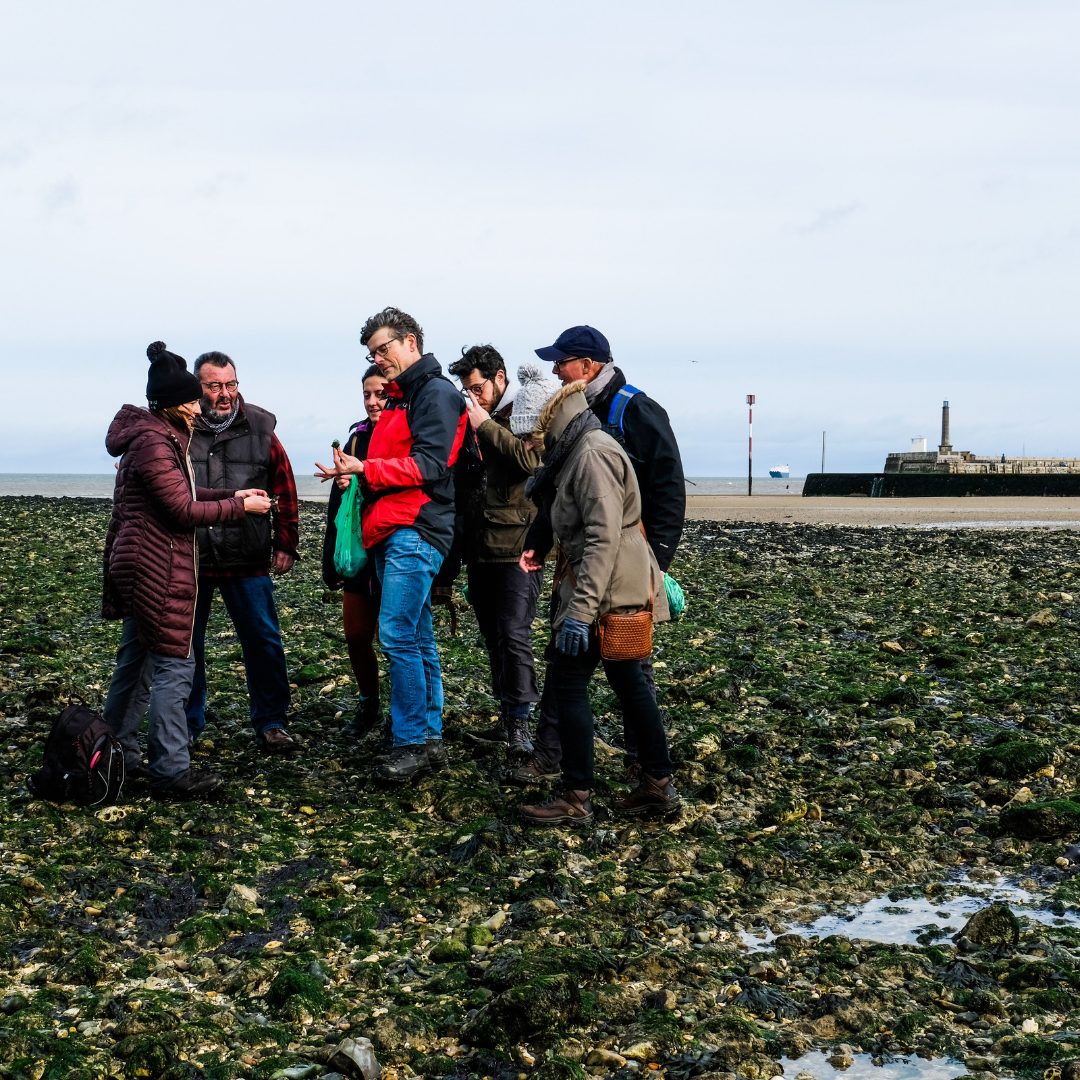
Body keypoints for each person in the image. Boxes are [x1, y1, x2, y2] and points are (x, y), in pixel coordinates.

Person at [511, 325, 685, 784]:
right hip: (587, 565)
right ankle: (578, 765)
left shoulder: (632, 412)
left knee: (626, 673)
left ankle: (636, 771)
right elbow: (559, 496)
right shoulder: (571, 427)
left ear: (588, 366)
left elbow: (666, 490)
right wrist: (539, 541)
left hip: (619, 570)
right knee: (580, 672)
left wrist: (655, 564)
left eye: (561, 362)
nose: (555, 370)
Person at [102, 342, 271, 801]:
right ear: (174, 404)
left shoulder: (155, 437)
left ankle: (117, 755)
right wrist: (241, 508)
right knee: (176, 666)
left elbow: (186, 491)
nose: (199, 409)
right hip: (155, 565)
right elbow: (181, 510)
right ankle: (171, 770)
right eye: (194, 401)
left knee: (136, 664)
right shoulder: (155, 442)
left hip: (140, 563)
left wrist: (232, 494)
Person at [316, 307, 467, 782]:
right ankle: (429, 739)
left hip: (414, 528)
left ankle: (410, 743)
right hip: (392, 529)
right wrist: (354, 476)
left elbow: (431, 465)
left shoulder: (435, 393)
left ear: (411, 342)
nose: (378, 359)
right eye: (372, 354)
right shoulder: (403, 398)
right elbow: (394, 465)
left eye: (384, 349)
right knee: (416, 636)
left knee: (398, 634)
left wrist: (366, 469)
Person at [184, 351, 300, 754]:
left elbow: (284, 487)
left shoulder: (261, 427)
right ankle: (187, 724)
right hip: (192, 556)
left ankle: (272, 722)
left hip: (247, 553)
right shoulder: (180, 427)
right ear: (198, 387)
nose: (225, 393)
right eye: (214, 386)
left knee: (264, 639)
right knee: (187, 646)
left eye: (230, 384)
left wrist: (286, 542)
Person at [446, 348, 558, 754]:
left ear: (499, 376)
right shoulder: (476, 415)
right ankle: (508, 719)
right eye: (467, 390)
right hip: (479, 544)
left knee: (514, 635)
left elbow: (532, 464)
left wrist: (486, 425)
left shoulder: (527, 407)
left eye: (478, 387)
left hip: (518, 545)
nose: (473, 396)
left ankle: (521, 727)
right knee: (493, 637)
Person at [322, 365, 388, 737]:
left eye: (381, 393)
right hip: (359, 552)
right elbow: (338, 509)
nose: (373, 401)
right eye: (367, 394)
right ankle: (369, 705)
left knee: (397, 640)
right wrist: (330, 562)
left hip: (396, 548)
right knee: (357, 635)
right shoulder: (355, 440)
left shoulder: (409, 433)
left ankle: (408, 715)